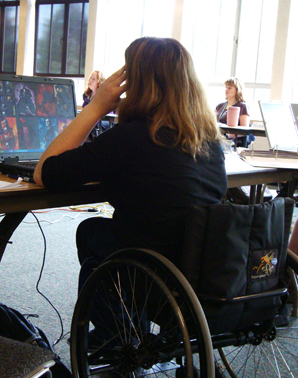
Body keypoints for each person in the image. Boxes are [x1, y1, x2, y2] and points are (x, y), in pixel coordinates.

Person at [33, 37, 228, 292]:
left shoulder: (132, 137)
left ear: (135, 82)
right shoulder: (209, 140)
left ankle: (112, 331)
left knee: (91, 232)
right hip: (201, 267)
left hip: (153, 268)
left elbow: (44, 173)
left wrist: (95, 108)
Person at [216, 77, 254, 147]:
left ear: (238, 90)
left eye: (230, 88)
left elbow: (244, 130)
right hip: (218, 139)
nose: (226, 90)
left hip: (233, 142)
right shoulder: (220, 106)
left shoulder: (242, 106)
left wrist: (228, 136)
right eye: (226, 87)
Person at [83, 70, 109, 138]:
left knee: (91, 121)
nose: (90, 80)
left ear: (99, 82)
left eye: (93, 79)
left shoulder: (103, 96)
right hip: (90, 119)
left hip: (104, 119)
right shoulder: (86, 95)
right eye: (90, 78)